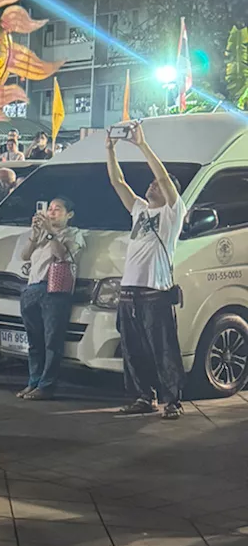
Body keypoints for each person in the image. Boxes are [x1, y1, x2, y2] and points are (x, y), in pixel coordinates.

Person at [107, 123, 186, 419]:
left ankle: (172, 401)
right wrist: (110, 149)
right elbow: (118, 182)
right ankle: (142, 396)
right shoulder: (140, 209)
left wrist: (142, 145)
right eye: (150, 182)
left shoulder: (172, 213)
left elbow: (165, 178)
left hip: (156, 294)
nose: (152, 185)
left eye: (157, 184)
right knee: (133, 349)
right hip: (129, 293)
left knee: (164, 349)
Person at [18, 197, 84, 399]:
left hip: (54, 291)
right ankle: (34, 381)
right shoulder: (42, 234)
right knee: (34, 342)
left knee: (51, 342)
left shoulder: (74, 234)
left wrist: (49, 232)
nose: (52, 212)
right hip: (32, 288)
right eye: (50, 209)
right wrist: (35, 233)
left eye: (57, 209)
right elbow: (25, 255)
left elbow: (62, 255)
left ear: (69, 215)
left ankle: (46, 385)